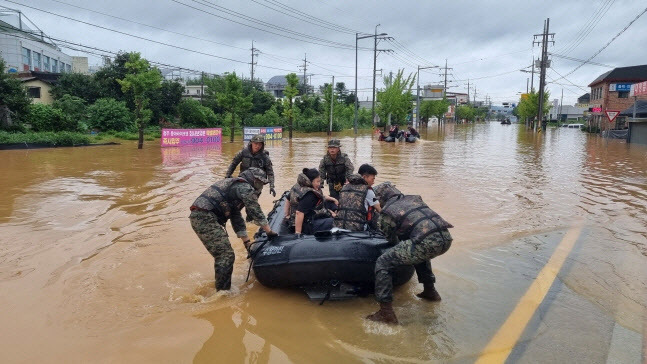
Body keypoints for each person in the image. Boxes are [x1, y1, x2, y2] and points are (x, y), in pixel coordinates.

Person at [367, 182, 454, 324]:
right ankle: (430, 291)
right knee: (418, 251)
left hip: (427, 242)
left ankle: (386, 312)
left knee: (383, 262)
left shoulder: (387, 211)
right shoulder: (413, 199)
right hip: (445, 238)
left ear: (382, 198)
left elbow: (390, 239)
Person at [189, 167, 279, 290]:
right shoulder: (244, 186)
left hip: (202, 217)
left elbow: (236, 218)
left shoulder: (235, 188)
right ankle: (222, 293)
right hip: (204, 217)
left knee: (225, 254)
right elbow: (255, 209)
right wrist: (269, 231)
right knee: (225, 255)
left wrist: (247, 243)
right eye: (259, 182)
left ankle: (222, 287)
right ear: (252, 179)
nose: (260, 186)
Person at [286, 168, 337, 235]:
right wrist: (298, 233)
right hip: (306, 224)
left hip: (299, 217)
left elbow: (288, 199)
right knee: (335, 222)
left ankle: (333, 212)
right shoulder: (309, 195)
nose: (319, 184)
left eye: (319, 181)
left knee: (330, 203)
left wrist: (287, 215)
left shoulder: (298, 186)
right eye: (317, 182)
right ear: (310, 181)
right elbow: (299, 213)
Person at [333, 164, 381, 231]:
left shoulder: (345, 187)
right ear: (364, 177)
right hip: (357, 228)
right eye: (372, 179)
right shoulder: (368, 191)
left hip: (339, 225)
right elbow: (379, 209)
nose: (373, 182)